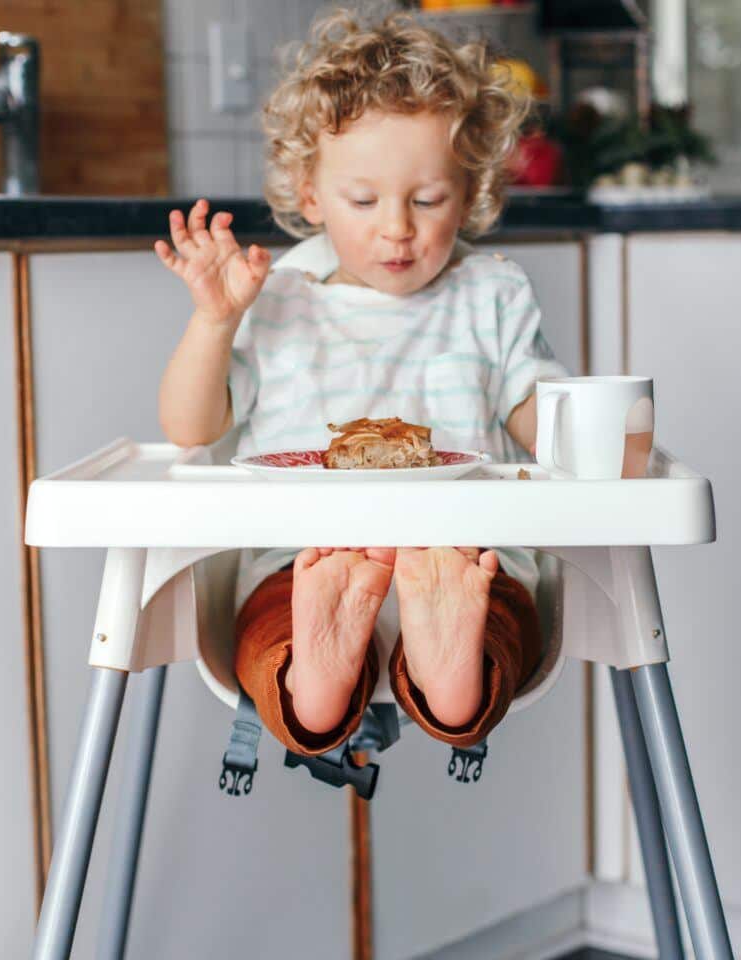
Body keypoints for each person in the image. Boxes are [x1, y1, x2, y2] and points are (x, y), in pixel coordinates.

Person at [155, 8, 567, 757]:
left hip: (461, 562)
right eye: (364, 200)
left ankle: (450, 668)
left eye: (428, 199)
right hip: (306, 560)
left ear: (470, 190)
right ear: (310, 196)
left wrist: (607, 435)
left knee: (502, 619)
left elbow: (555, 434)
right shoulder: (276, 297)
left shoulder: (491, 296)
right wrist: (214, 322)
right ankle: (319, 675)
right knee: (270, 629)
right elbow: (190, 426)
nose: (398, 228)